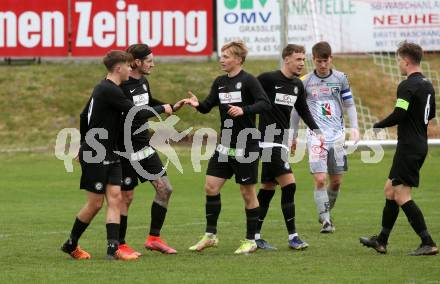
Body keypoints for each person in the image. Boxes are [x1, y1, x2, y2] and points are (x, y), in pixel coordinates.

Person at [61, 50, 166, 260]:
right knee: (95, 204)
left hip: (113, 152)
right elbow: (135, 112)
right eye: (128, 66)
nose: (130, 69)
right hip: (97, 153)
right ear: (119, 68)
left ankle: (113, 249)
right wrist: (164, 108)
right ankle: (71, 243)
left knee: (116, 199)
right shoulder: (106, 89)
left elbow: (84, 116)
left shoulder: (112, 89)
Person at [185, 41, 271, 254]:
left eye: (226, 56)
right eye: (221, 55)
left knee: (247, 193)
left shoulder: (249, 81)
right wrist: (197, 105)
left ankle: (251, 240)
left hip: (246, 145)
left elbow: (265, 104)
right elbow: (207, 107)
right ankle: (210, 236)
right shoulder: (220, 82)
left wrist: (245, 110)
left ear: (238, 59)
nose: (221, 59)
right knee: (211, 187)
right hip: (225, 145)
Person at [360, 41, 437, 256]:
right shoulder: (428, 85)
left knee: (402, 194)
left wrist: (378, 125)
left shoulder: (407, 85)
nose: (398, 65)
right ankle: (381, 241)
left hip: (409, 147)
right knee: (390, 190)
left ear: (405, 61)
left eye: (398, 61)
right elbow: (430, 116)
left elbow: (399, 113)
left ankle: (428, 242)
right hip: (418, 143)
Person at [117, 44, 185, 256]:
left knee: (165, 188)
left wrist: (170, 106)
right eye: (149, 61)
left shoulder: (143, 82)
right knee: (126, 197)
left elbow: (148, 103)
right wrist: (160, 110)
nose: (152, 65)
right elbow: (133, 113)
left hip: (143, 146)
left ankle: (154, 238)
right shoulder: (121, 85)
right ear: (136, 62)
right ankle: (120, 244)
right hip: (124, 149)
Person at [255, 44, 322, 250]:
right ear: (287, 59)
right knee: (289, 184)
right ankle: (293, 237)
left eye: (303, 59)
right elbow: (249, 96)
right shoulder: (268, 79)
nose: (302, 63)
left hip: (281, 141)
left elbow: (303, 110)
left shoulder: (297, 85)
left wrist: (317, 130)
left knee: (267, 188)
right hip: (267, 141)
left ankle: (254, 236)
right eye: (298, 59)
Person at [291, 41, 360, 233]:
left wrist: (354, 127)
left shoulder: (340, 78)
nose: (322, 65)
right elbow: (296, 112)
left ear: (331, 59)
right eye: (319, 61)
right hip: (316, 137)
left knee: (336, 181)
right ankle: (327, 221)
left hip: (338, 136)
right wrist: (293, 136)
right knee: (320, 179)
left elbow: (349, 104)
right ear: (313, 60)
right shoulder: (304, 82)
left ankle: (324, 211)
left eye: (325, 61)